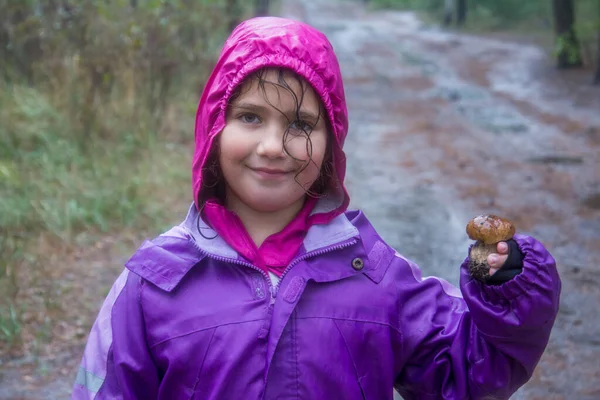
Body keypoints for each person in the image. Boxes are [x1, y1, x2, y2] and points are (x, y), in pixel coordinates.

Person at [71, 16, 561, 400]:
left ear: (331, 145)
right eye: (249, 116)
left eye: (302, 125)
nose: (272, 145)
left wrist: (510, 288)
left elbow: (470, 371)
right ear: (213, 127)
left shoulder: (373, 274)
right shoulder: (154, 284)